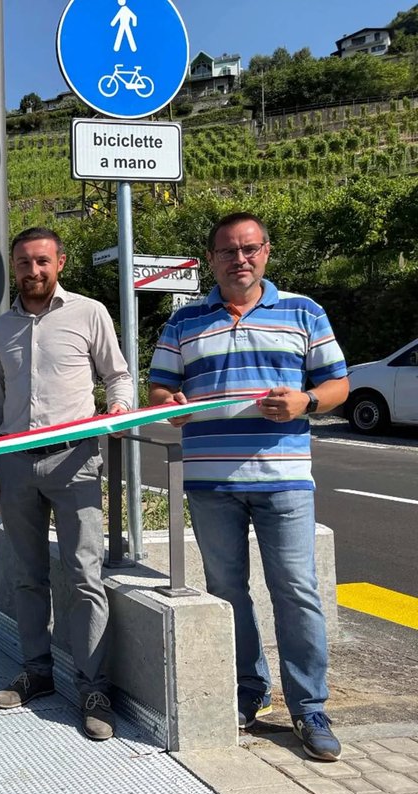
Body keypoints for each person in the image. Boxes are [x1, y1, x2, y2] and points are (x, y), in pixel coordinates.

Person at [148, 211, 348, 762]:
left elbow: (338, 385)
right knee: (227, 592)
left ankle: (309, 706)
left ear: (266, 252)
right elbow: (161, 388)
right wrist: (173, 408)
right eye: (228, 251)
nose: (240, 258)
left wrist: (307, 402)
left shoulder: (304, 311)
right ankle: (247, 690)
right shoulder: (183, 322)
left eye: (250, 248)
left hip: (285, 480)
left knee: (297, 592)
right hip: (211, 482)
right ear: (210, 260)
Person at [0, 227, 133, 741]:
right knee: (26, 574)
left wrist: (118, 409)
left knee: (85, 575)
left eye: (42, 261)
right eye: (24, 263)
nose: (33, 271)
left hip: (76, 462)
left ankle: (93, 688)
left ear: (59, 263)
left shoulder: (89, 313)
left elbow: (118, 375)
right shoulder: (1, 329)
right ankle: (37, 673)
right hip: (15, 463)